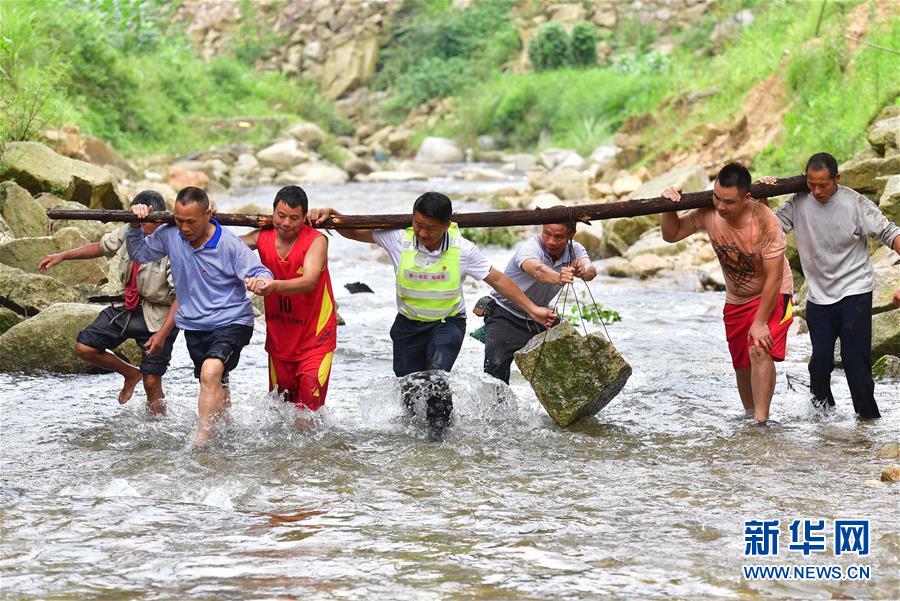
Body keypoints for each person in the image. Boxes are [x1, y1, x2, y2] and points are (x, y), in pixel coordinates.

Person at [307, 192, 557, 439]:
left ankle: (439, 436)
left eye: (431, 229)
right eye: (418, 226)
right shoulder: (398, 238)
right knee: (408, 383)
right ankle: (414, 431)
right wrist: (334, 215)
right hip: (407, 324)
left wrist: (533, 309)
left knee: (436, 377)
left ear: (447, 226)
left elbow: (498, 280)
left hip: (447, 323)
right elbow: (354, 231)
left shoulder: (463, 250)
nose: (423, 234)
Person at [126, 186, 274, 447]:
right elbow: (139, 254)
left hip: (232, 321)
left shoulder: (228, 243)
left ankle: (202, 440)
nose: (184, 228)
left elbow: (259, 269)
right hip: (196, 324)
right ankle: (226, 433)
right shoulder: (170, 234)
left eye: (191, 222)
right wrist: (135, 225)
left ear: (208, 214)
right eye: (180, 220)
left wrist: (261, 281)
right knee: (217, 380)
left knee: (210, 370)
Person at [758, 153, 900, 419]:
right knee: (819, 362)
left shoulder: (854, 203)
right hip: (819, 297)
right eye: (812, 184)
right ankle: (823, 419)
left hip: (855, 290)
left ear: (837, 178)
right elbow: (770, 230)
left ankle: (868, 420)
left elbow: (891, 234)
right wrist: (764, 198)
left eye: (823, 184)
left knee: (854, 361)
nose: (817, 191)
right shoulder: (799, 202)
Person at [661, 163, 793, 425]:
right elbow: (671, 234)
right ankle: (749, 416)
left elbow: (774, 277)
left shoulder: (765, 222)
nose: (721, 207)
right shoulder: (710, 211)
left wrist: (760, 322)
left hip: (775, 291)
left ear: (746, 198)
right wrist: (669, 205)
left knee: (758, 348)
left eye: (728, 202)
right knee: (742, 363)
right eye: (716, 197)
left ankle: (761, 423)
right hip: (737, 298)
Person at [39, 190, 179, 414]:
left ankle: (158, 430)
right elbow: (101, 246)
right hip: (128, 307)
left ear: (158, 218)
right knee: (85, 346)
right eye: (136, 221)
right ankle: (130, 373)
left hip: (160, 316)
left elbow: (181, 299)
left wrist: (162, 334)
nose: (141, 226)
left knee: (152, 382)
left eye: (145, 221)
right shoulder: (131, 229)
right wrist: (63, 255)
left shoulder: (173, 245)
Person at [240, 186, 337, 415]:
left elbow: (310, 281)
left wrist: (272, 286)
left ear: (304, 218)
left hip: (315, 340)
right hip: (280, 342)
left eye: (294, 218)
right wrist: (207, 218)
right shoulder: (261, 237)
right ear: (272, 213)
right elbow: (221, 244)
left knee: (306, 416)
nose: (286, 223)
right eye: (280, 216)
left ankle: (313, 453)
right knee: (281, 413)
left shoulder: (316, 240)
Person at [483, 222, 597, 384]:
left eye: (558, 237)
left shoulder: (575, 249)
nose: (551, 241)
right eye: (547, 234)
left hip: (541, 317)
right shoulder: (531, 248)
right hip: (505, 312)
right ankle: (496, 408)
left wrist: (583, 271)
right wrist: (558, 277)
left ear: (571, 235)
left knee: (567, 366)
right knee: (495, 368)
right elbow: (537, 270)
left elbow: (590, 269)